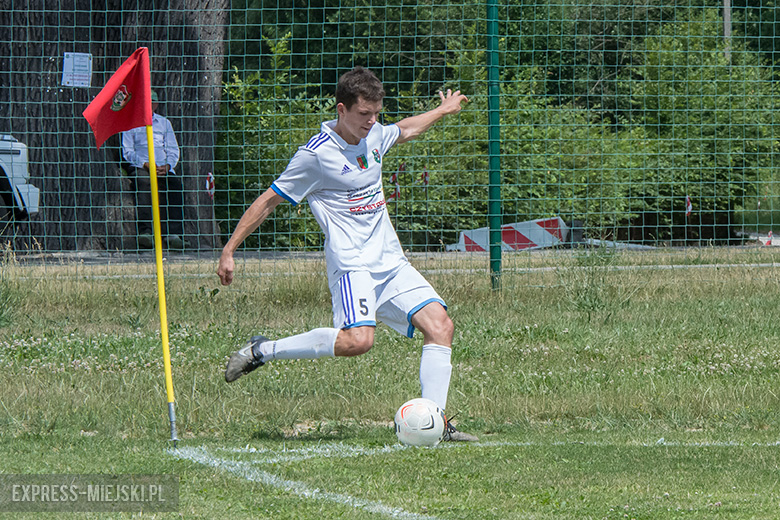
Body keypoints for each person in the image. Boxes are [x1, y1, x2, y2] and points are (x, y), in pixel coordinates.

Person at [217, 67, 477, 442]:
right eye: (363, 115)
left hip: (390, 261)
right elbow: (268, 200)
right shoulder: (315, 157)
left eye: (376, 114)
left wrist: (442, 110)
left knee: (441, 326)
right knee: (358, 342)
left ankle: (434, 424)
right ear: (341, 109)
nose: (372, 122)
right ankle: (263, 350)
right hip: (352, 264)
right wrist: (229, 250)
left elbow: (404, 129)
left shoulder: (373, 135)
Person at [121, 89, 185, 249]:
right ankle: (146, 232)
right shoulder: (130, 122)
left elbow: (173, 148)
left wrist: (168, 166)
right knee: (143, 184)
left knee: (175, 187)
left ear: (156, 105)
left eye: (152, 103)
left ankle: (173, 233)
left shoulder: (164, 123)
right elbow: (127, 151)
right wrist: (145, 164)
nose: (149, 106)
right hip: (141, 165)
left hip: (162, 166)